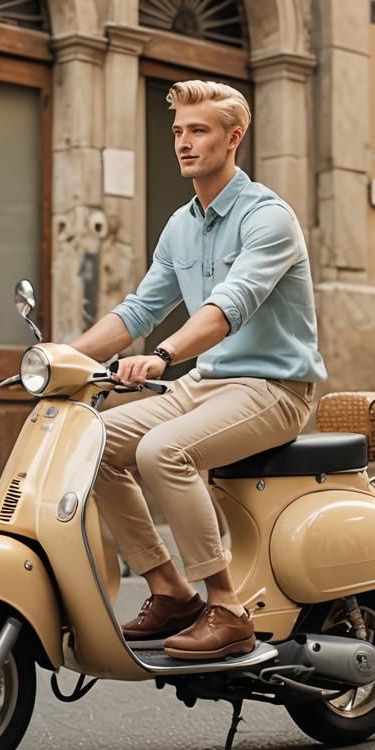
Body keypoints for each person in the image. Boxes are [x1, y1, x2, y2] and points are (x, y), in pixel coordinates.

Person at [71, 79, 326, 660]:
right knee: (95, 440)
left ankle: (228, 608)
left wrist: (161, 355)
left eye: (199, 131)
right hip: (206, 383)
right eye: (178, 132)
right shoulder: (181, 225)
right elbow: (139, 310)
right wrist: (63, 358)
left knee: (163, 450)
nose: (184, 143)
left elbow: (227, 308)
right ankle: (169, 591)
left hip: (274, 386)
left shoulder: (269, 218)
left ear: (234, 138)